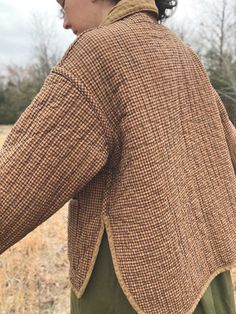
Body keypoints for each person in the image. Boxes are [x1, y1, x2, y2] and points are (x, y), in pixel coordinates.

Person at [0, 0, 236, 313]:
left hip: (132, 286)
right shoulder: (181, 53)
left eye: (62, 2)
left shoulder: (98, 54)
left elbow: (17, 184)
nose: (64, 22)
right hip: (208, 284)